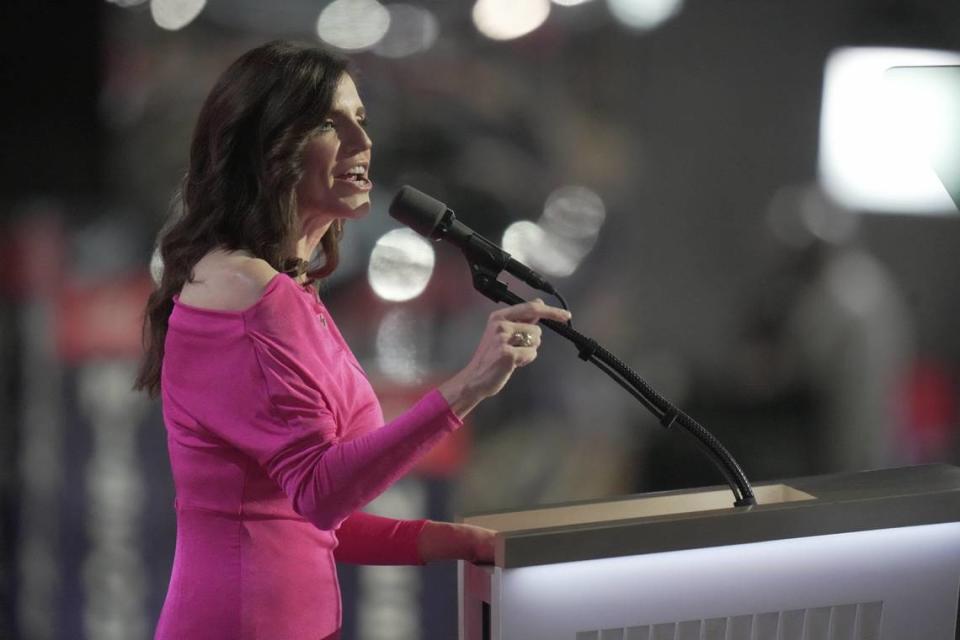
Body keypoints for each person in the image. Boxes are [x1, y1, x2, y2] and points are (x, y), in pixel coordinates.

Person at [133, 40, 570, 640]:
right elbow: (320, 493)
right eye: (329, 124)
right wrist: (468, 386)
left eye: (360, 120)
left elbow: (304, 523)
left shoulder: (283, 289)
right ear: (268, 148)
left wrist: (449, 540)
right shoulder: (252, 292)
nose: (363, 144)